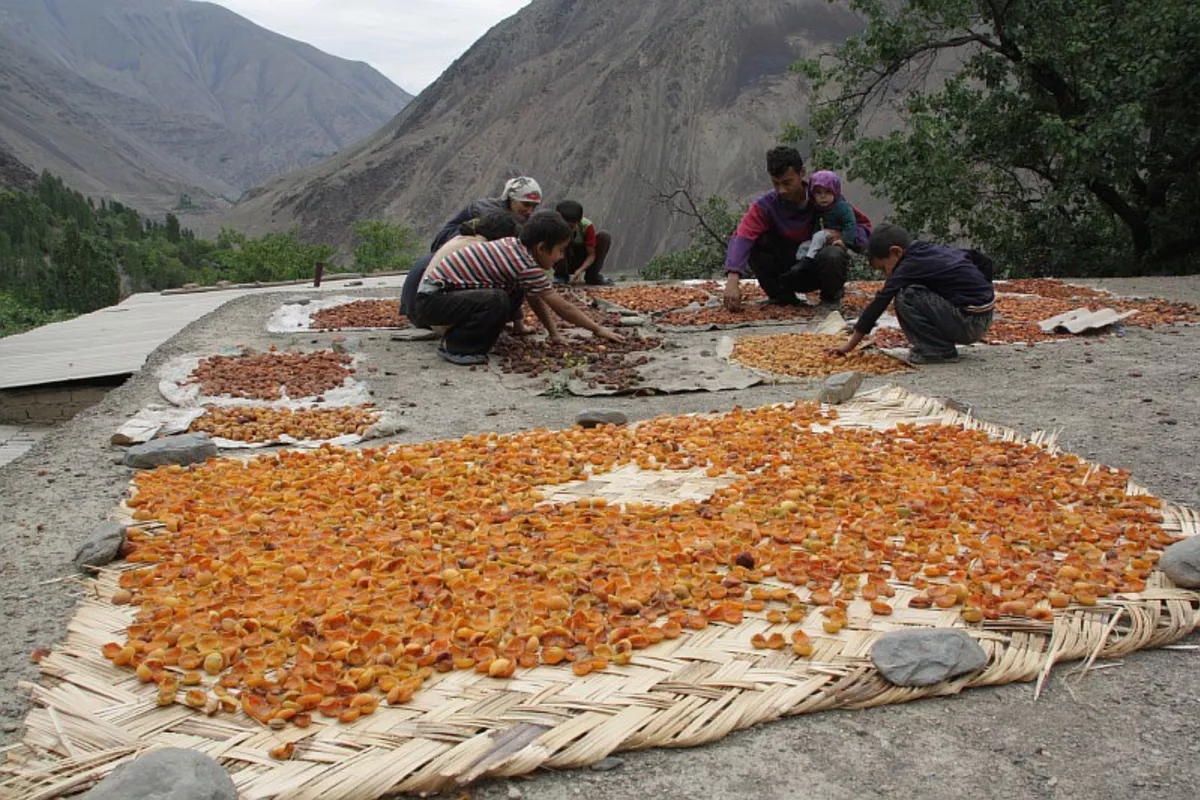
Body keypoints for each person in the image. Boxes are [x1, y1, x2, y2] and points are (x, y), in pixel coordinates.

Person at [410, 210, 624, 365]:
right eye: (560, 250)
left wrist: (553, 333)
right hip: (432, 302)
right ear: (541, 248)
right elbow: (561, 306)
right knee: (497, 299)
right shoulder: (522, 262)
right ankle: (457, 347)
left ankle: (472, 337)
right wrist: (597, 329)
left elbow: (535, 296)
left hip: (443, 298)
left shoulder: (516, 248)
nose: (560, 257)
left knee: (510, 292)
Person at [830, 224, 995, 365]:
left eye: (883, 268)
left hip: (969, 323)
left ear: (896, 252)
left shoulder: (907, 266)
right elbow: (983, 260)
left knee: (906, 296)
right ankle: (940, 345)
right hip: (984, 316)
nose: (886, 275)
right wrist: (981, 291)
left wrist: (850, 345)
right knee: (917, 289)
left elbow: (879, 303)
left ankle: (936, 350)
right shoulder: (929, 250)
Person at [723, 146, 851, 311]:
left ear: (802, 173)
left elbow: (859, 226)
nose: (781, 190)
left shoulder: (824, 197)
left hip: (817, 267)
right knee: (757, 241)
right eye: (776, 184)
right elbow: (743, 235)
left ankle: (830, 298)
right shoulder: (766, 205)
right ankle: (781, 297)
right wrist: (733, 279)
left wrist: (841, 236)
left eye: (787, 183)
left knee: (833, 253)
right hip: (786, 271)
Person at [401, 211, 518, 324]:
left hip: (417, 308)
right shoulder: (479, 248)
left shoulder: (463, 239)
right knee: (498, 296)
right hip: (428, 313)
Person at [429, 176, 543, 252]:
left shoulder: (519, 219)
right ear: (511, 199)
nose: (530, 211)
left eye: (534, 206)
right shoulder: (486, 213)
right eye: (526, 205)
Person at [552, 200, 614, 285]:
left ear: (579, 221)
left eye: (571, 227)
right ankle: (561, 276)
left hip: (581, 259)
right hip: (562, 259)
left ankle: (592, 276)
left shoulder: (586, 226)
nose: (567, 230)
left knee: (604, 236)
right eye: (564, 226)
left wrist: (580, 270)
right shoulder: (553, 226)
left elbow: (591, 255)